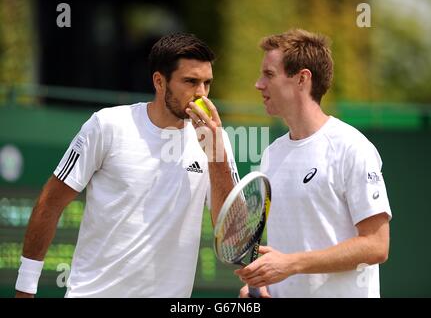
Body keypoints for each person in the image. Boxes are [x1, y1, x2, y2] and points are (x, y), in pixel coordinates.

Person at [15, 33, 238, 298]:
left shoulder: (217, 143)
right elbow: (50, 203)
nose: (201, 93)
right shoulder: (107, 125)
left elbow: (232, 237)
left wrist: (216, 155)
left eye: (206, 83)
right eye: (190, 81)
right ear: (159, 81)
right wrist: (25, 287)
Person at [236, 29, 391, 298]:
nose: (258, 84)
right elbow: (283, 249)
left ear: (302, 79)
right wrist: (261, 285)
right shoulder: (271, 155)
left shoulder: (352, 148)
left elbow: (377, 245)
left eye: (269, 74)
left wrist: (291, 264)